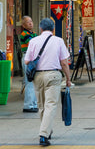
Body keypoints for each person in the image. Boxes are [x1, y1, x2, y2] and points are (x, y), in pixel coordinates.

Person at [24, 18, 71, 146]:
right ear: (53, 29)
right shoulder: (59, 41)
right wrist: (68, 78)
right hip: (53, 75)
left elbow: (27, 61)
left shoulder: (33, 41)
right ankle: (44, 135)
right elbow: (64, 63)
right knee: (50, 105)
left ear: (40, 28)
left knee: (42, 105)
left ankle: (46, 130)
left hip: (37, 76)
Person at [19, 16, 38, 113]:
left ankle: (33, 104)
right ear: (23, 25)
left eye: (31, 21)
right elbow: (33, 43)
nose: (30, 23)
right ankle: (28, 105)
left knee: (33, 81)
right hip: (27, 57)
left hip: (33, 58)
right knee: (29, 81)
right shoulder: (24, 34)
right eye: (27, 22)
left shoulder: (33, 33)